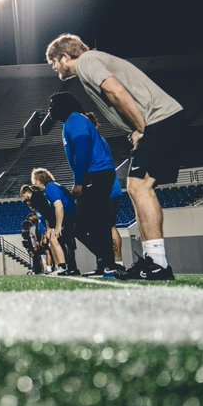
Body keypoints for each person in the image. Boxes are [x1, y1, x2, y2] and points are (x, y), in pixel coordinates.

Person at [46, 33, 183, 280]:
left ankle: (157, 263)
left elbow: (115, 91)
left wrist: (140, 128)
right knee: (139, 187)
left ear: (65, 56)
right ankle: (154, 261)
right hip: (163, 120)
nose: (53, 67)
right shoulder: (92, 62)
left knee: (138, 188)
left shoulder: (87, 62)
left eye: (53, 62)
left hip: (158, 121)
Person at [48, 91, 126, 277]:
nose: (49, 109)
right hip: (98, 175)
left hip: (95, 175)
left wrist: (79, 182)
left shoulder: (75, 121)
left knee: (84, 226)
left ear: (63, 105)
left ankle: (109, 263)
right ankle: (106, 263)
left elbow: (82, 151)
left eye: (52, 104)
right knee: (94, 223)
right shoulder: (74, 121)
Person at [29, 168, 85, 276]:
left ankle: (70, 268)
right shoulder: (51, 186)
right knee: (65, 240)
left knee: (62, 239)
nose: (33, 183)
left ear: (39, 179)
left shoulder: (50, 187)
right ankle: (70, 268)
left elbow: (59, 207)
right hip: (71, 215)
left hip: (70, 216)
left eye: (34, 180)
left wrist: (58, 226)